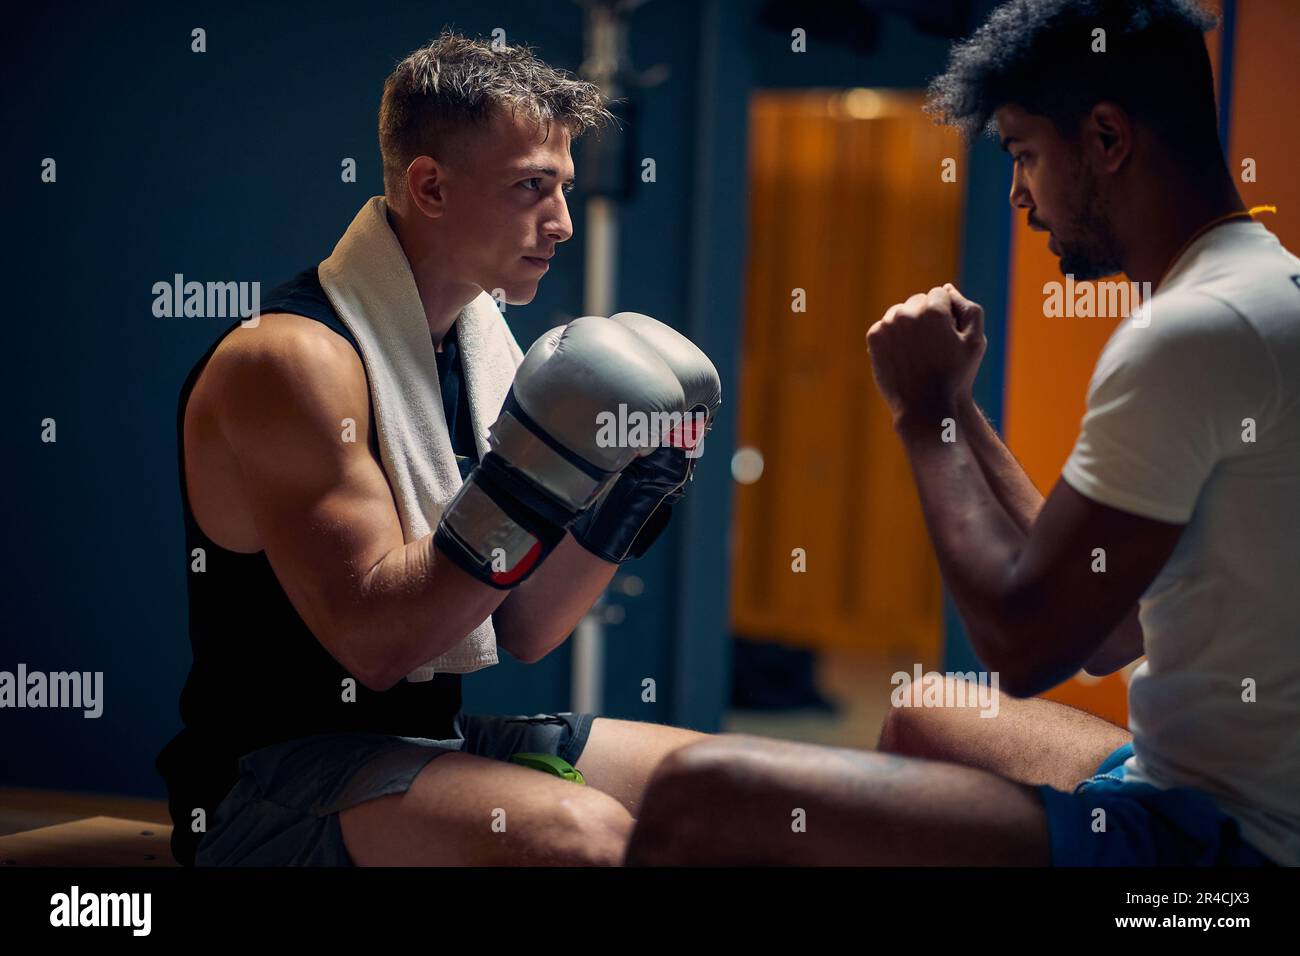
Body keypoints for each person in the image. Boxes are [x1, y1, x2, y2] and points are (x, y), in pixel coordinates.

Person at [626, 0, 1296, 867]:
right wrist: (963, 408)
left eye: (1024, 155)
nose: (1018, 192)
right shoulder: (1254, 286)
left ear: (1105, 138)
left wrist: (924, 414)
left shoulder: (1190, 331)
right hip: (1185, 779)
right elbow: (1113, 631)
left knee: (700, 795)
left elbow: (1024, 646)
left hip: (1217, 845)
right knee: (925, 710)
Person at [156, 30, 718, 867]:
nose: (561, 221)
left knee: (728, 786)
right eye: (532, 187)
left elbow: (527, 625)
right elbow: (378, 646)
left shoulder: (476, 352)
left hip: (429, 743)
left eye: (562, 186)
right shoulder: (292, 360)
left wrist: (636, 494)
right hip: (273, 778)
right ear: (430, 187)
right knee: (581, 835)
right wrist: (532, 481)